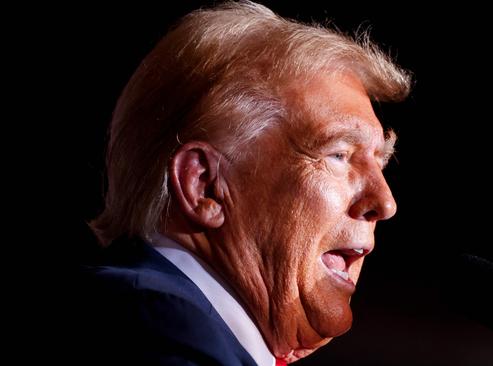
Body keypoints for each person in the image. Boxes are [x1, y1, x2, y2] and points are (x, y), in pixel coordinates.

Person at [75, 1, 411, 364]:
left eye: (380, 162)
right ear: (204, 186)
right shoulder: (158, 330)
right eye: (338, 155)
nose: (385, 201)